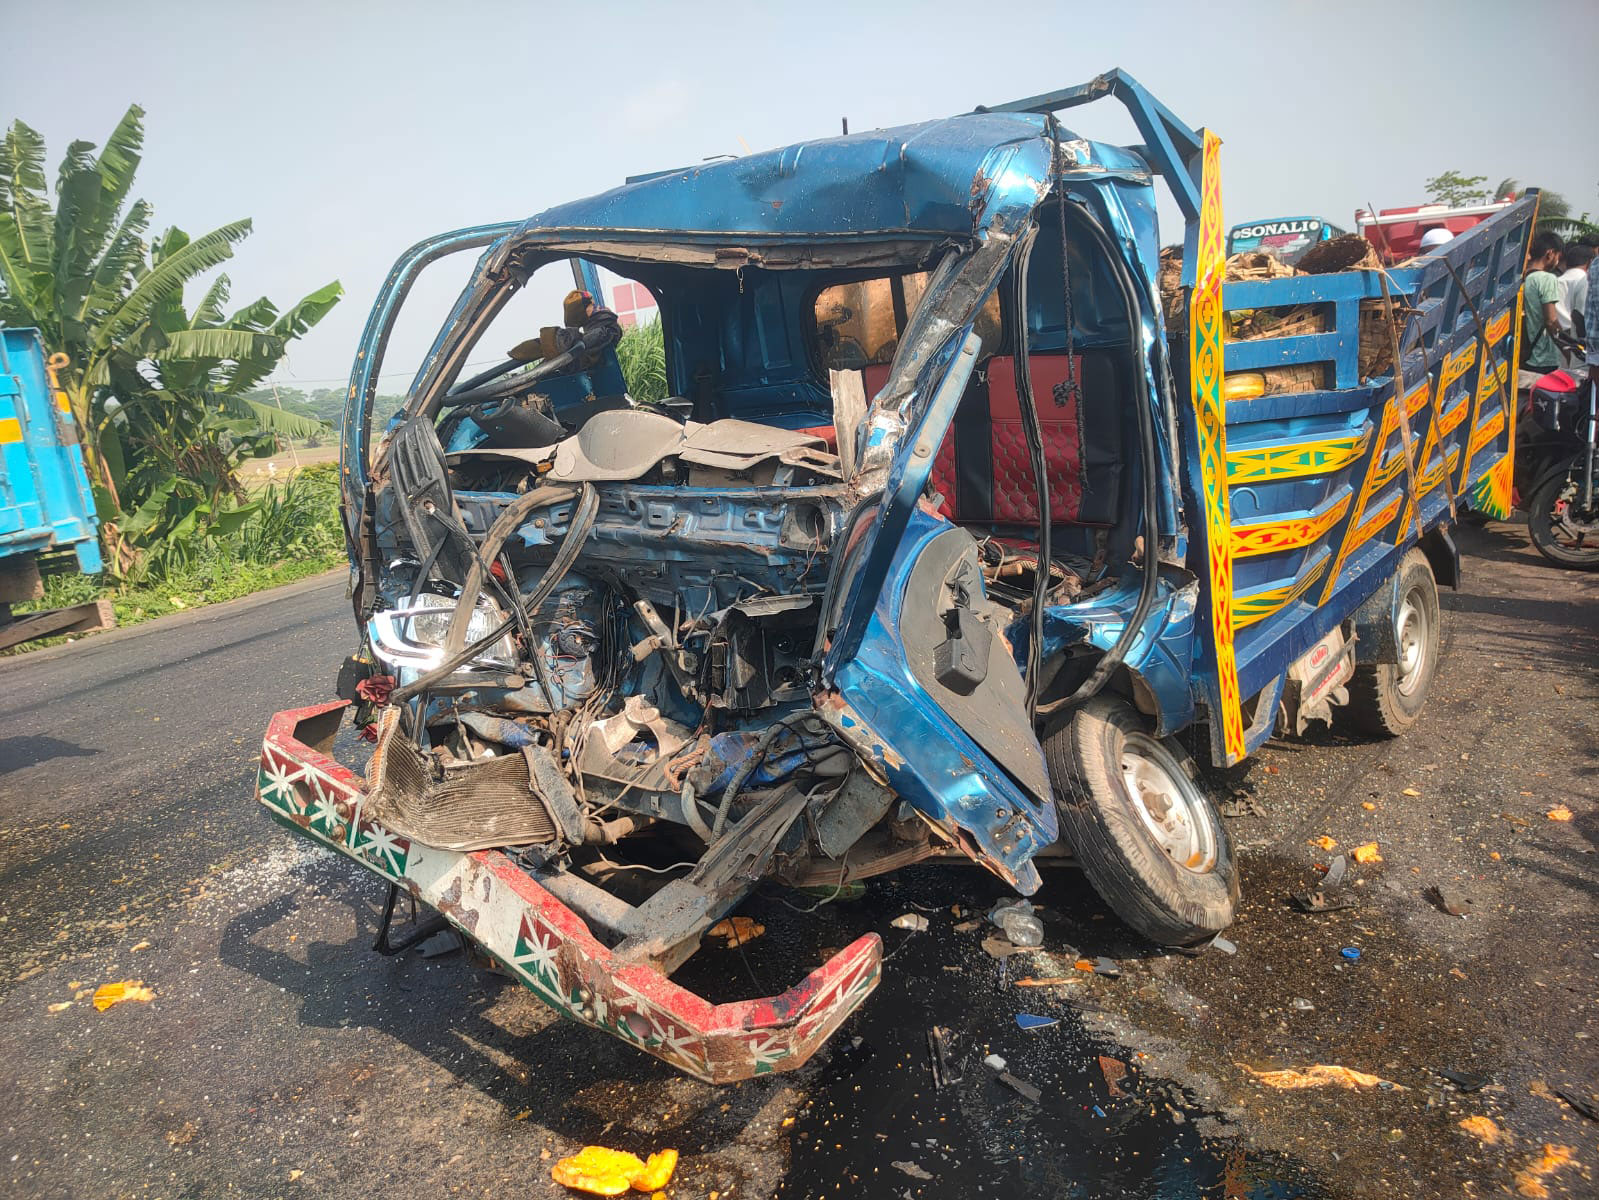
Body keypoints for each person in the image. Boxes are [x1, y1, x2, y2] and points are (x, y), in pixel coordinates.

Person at [1519, 230, 1565, 388]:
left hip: (1524, 355)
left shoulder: (1522, 278)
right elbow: (1551, 320)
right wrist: (1567, 348)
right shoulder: (1547, 279)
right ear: (1550, 253)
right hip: (1544, 357)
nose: (1557, 261)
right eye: (1558, 256)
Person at [1556, 243, 1594, 339]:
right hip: (1578, 342)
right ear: (1590, 262)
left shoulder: (1555, 281)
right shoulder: (1587, 281)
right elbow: (1580, 317)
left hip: (1555, 338)